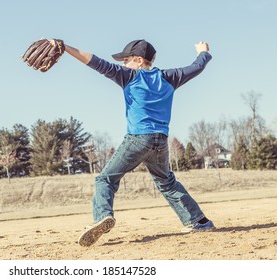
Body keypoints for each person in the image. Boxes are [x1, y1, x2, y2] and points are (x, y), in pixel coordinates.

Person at [63, 39, 215, 247]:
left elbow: (93, 61)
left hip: (138, 138)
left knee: (105, 180)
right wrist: (203, 52)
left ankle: (102, 217)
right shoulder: (169, 77)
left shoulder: (129, 76)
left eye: (126, 60)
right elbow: (197, 67)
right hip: (160, 141)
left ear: (139, 60)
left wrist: (65, 47)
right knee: (167, 183)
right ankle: (198, 221)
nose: (123, 64)